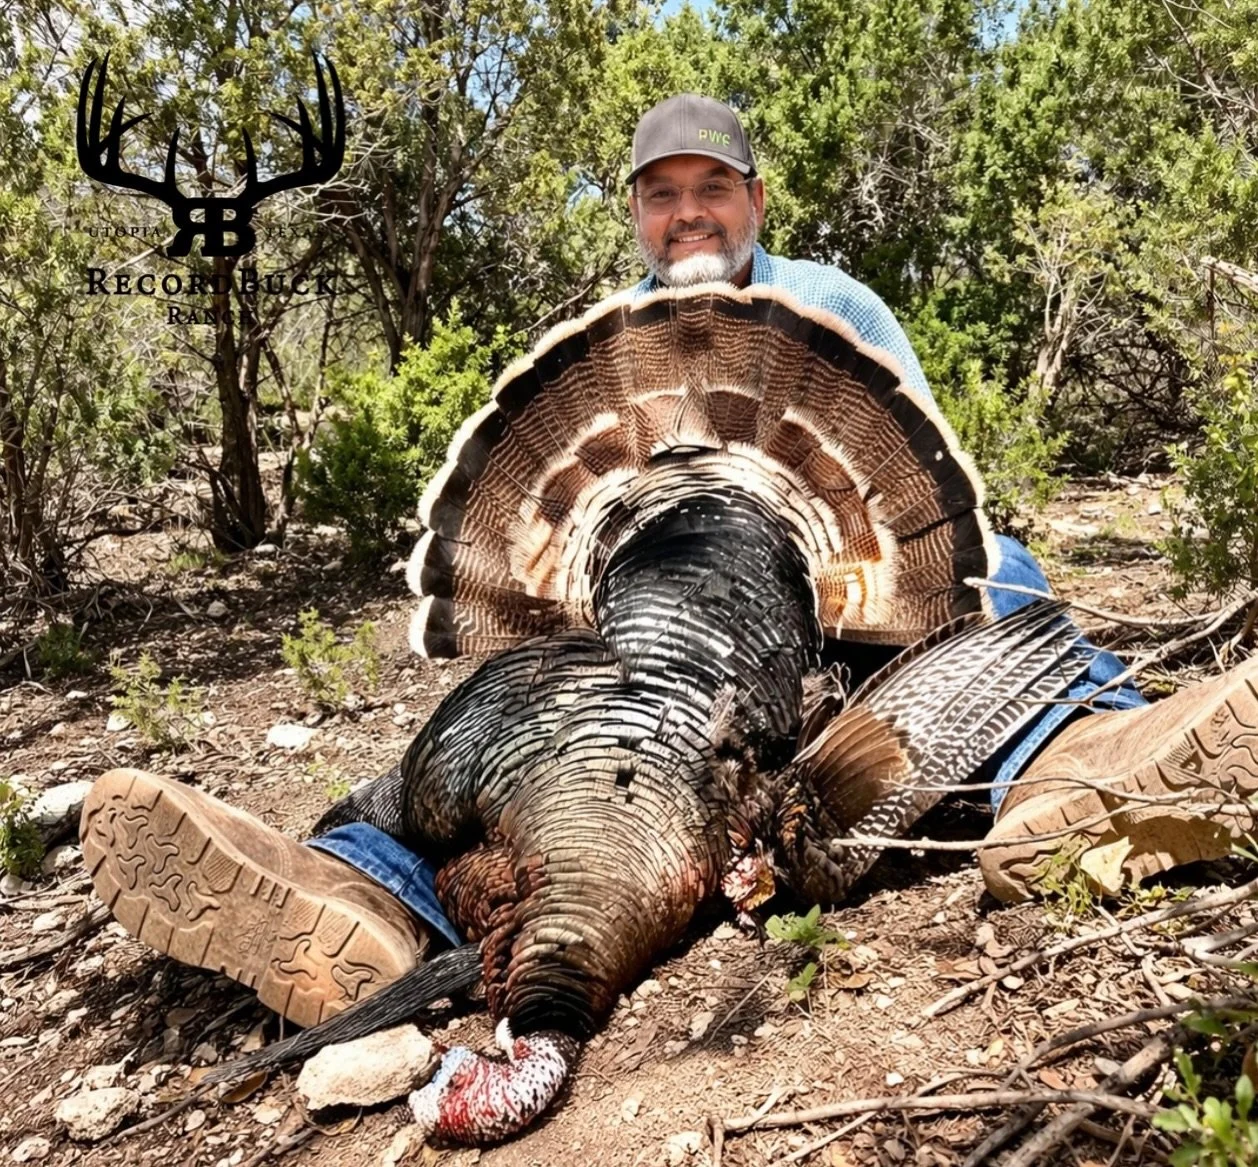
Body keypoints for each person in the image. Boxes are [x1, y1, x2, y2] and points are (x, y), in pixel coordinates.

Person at [80, 95, 1258, 1033]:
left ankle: (1094, 761)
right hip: (637, 666)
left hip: (824, 634)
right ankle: (353, 887)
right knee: (499, 723)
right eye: (663, 198)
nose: (688, 215)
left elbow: (917, 521)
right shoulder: (610, 331)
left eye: (710, 190)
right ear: (637, 214)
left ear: (753, 196)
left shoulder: (827, 300)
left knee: (1004, 577)